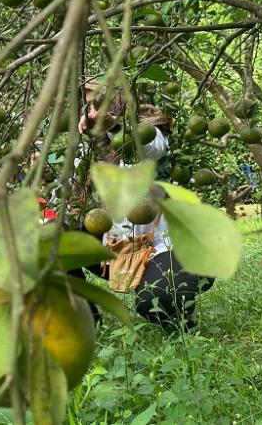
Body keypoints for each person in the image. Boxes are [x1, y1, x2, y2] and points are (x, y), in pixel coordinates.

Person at [78, 82, 213, 329]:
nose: (90, 109)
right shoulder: (94, 146)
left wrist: (115, 126)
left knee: (154, 300)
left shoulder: (151, 131)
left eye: (95, 101)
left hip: (168, 246)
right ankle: (86, 318)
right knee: (54, 245)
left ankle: (181, 320)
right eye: (85, 104)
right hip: (120, 244)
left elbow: (149, 148)